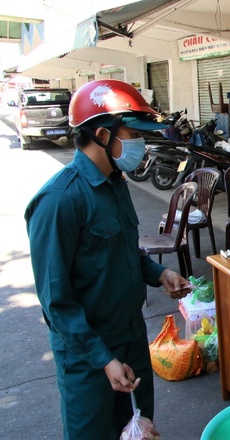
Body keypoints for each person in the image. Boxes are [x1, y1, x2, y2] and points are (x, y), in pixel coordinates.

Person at [25, 79, 192, 440]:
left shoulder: (116, 183)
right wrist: (103, 359)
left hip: (131, 339)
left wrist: (159, 273)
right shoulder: (58, 201)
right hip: (87, 357)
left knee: (137, 430)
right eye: (133, 134)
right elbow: (56, 301)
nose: (141, 144)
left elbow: (122, 253)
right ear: (102, 134)